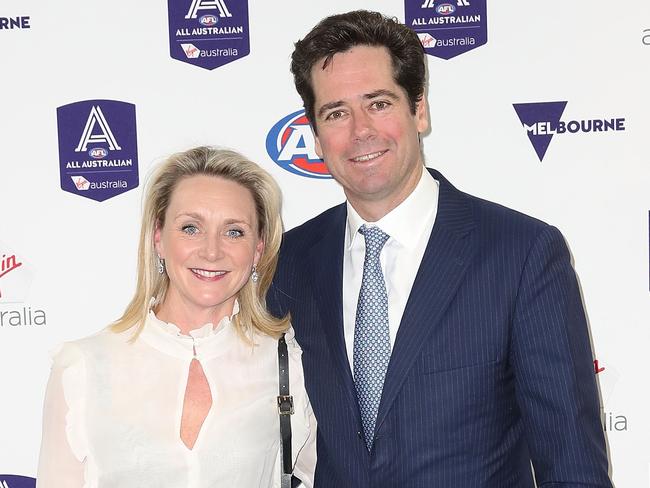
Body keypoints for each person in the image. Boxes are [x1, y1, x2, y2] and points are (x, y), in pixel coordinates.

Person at [268, 10, 612, 487]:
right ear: (316, 132)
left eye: (379, 103)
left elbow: (572, 464)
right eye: (336, 113)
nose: (360, 129)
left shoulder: (521, 254)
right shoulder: (287, 262)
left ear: (419, 109)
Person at [37, 147, 316, 487]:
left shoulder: (287, 361)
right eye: (190, 228)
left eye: (234, 232)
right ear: (158, 238)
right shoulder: (83, 365)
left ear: (258, 249)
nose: (212, 251)